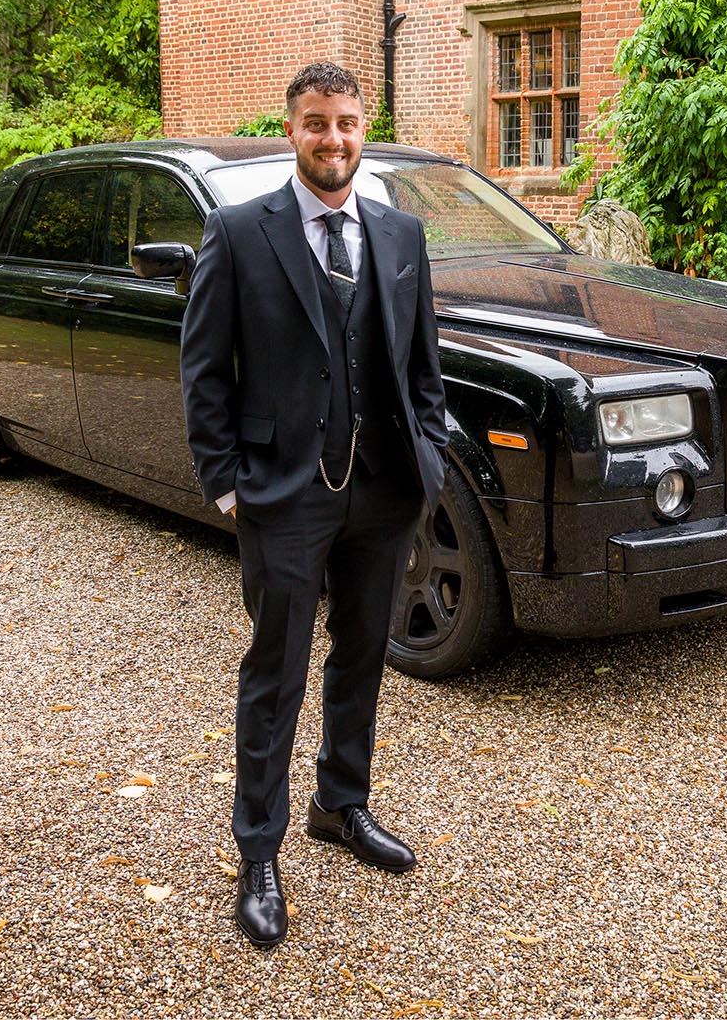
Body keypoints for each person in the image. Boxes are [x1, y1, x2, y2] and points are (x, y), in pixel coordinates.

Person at [180, 61, 449, 951]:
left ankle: (341, 805)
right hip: (284, 494)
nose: (333, 139)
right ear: (291, 130)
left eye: (346, 123)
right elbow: (203, 370)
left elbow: (422, 364)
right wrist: (227, 481)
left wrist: (429, 454)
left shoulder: (401, 233)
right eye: (316, 123)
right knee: (277, 672)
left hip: (383, 491)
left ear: (363, 129)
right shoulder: (239, 232)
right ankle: (258, 852)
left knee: (363, 654)